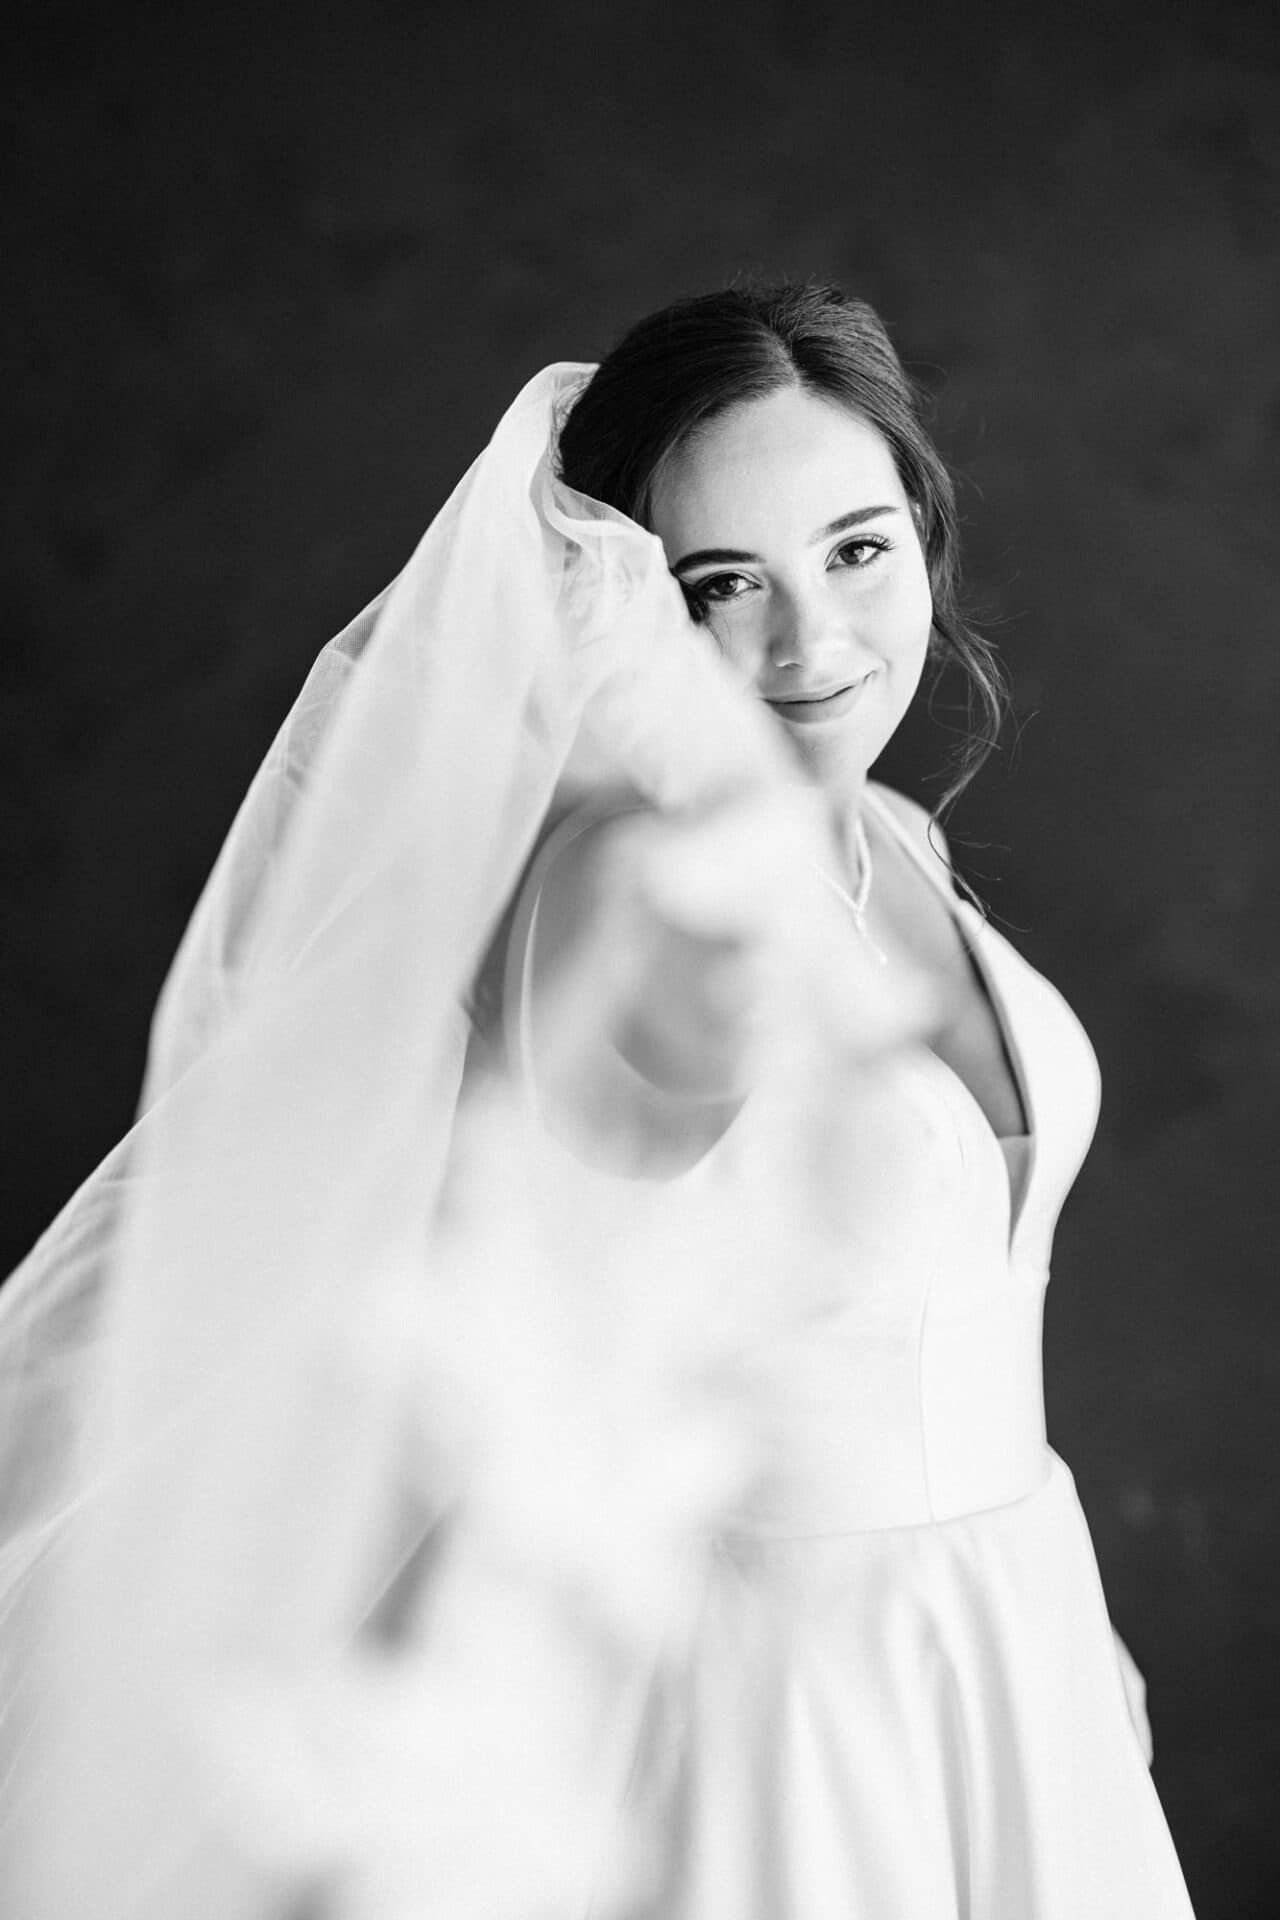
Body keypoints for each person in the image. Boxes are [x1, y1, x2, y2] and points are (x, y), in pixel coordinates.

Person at [0, 283, 1194, 1920]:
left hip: (1011, 1632)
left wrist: (1075, 1648)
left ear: (921, 529)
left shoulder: (890, 842)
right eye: (723, 585)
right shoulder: (642, 895)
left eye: (855, 549)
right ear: (618, 600)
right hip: (789, 1704)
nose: (813, 643)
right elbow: (512, 1343)